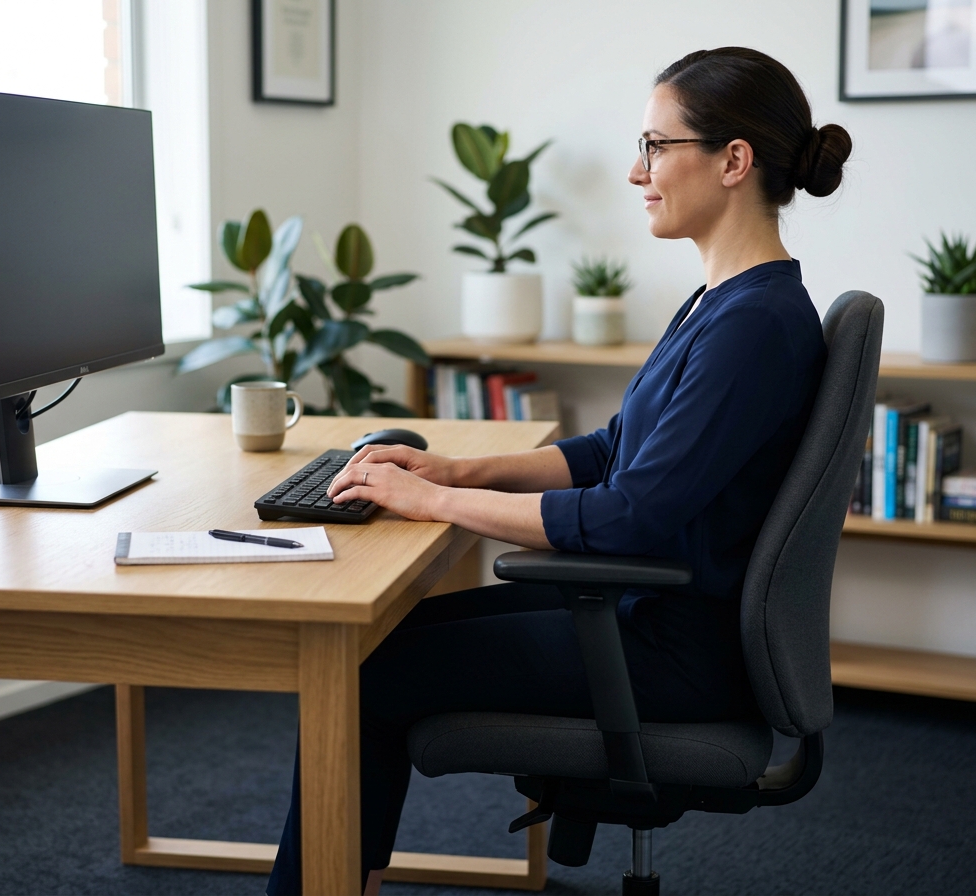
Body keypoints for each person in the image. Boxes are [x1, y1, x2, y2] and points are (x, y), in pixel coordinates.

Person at [266, 46, 852, 896]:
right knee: (372, 642)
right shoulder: (723, 302)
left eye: (656, 147)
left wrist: (431, 501)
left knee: (364, 678)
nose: (635, 171)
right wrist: (459, 469)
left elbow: (629, 514)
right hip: (650, 605)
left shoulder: (753, 325)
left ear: (733, 161)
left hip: (673, 644)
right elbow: (614, 451)